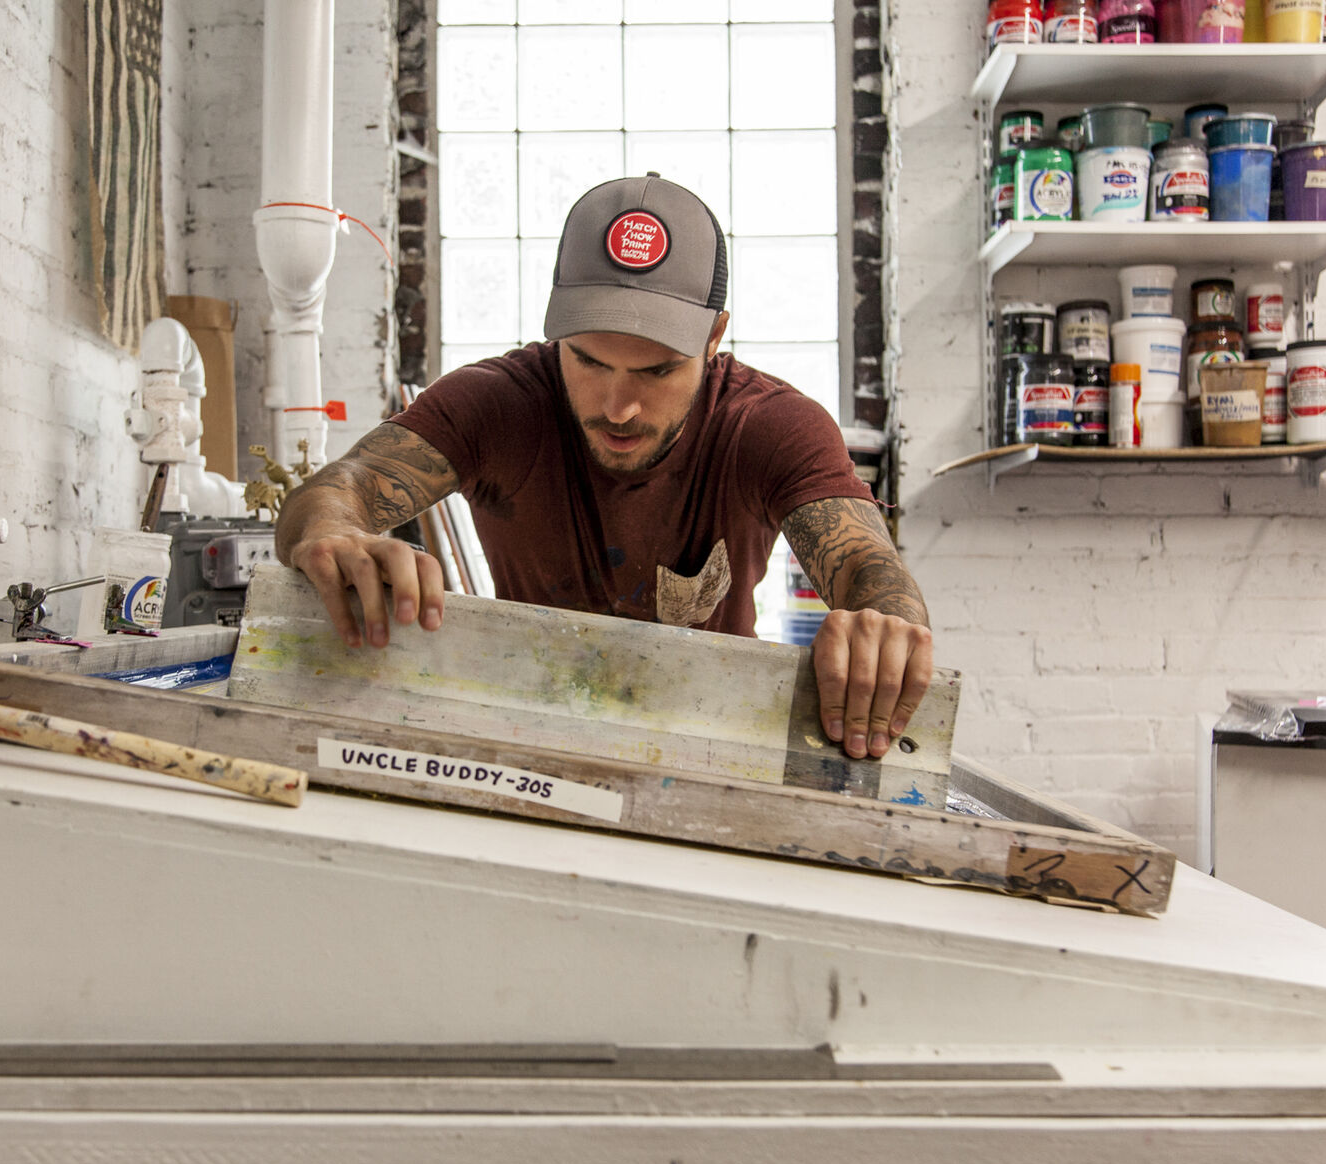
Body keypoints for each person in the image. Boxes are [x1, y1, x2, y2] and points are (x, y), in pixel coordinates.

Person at [275, 173, 932, 761]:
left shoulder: (769, 426)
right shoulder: (496, 405)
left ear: (714, 336)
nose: (619, 405)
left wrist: (885, 623)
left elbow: (868, 566)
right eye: (588, 360)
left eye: (657, 370)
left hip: (712, 748)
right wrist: (334, 533)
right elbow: (342, 489)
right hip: (525, 744)